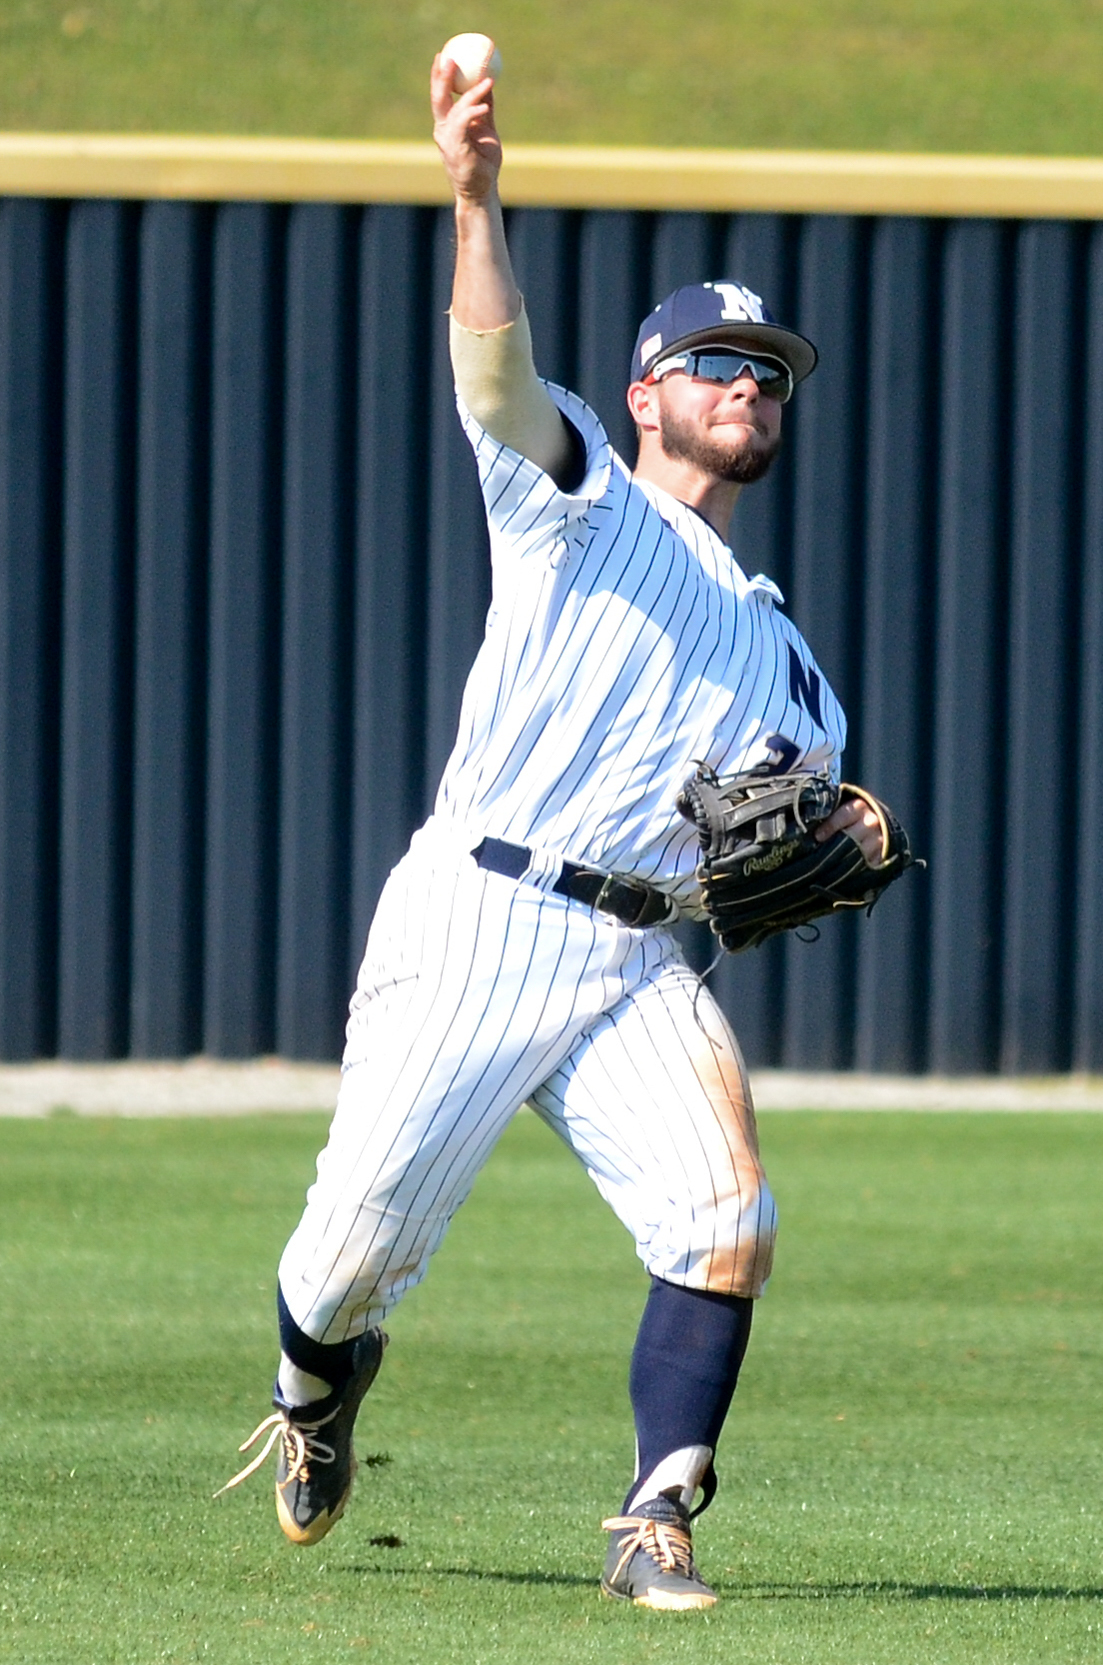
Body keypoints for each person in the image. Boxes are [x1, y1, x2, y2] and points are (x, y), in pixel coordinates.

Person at [217, 43, 886, 1611]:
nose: (749, 385)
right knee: (348, 1257)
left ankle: (657, 1515)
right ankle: (317, 1391)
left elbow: (800, 835)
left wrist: (845, 834)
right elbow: (496, 374)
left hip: (642, 957)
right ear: (649, 390)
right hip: (478, 913)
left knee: (727, 1216)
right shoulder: (574, 491)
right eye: (720, 362)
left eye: (770, 371)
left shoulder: (796, 659)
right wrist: (474, 195)